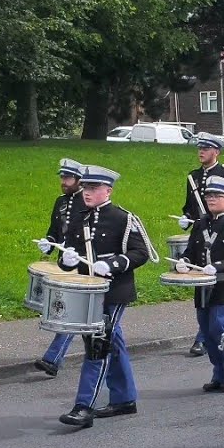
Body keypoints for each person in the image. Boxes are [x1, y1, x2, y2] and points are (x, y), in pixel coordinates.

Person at [56, 166, 153, 429]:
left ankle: (83, 406)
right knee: (112, 341)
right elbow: (68, 258)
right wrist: (65, 260)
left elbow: (141, 253)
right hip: (88, 291)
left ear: (107, 191)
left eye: (93, 189)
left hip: (114, 291)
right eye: (85, 188)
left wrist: (113, 264)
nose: (87, 193)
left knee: (98, 343)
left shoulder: (123, 219)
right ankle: (124, 399)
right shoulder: (78, 218)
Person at [181, 132, 224, 356]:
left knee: (218, 316)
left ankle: (210, 345)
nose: (201, 152)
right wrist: (186, 219)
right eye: (199, 148)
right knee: (204, 307)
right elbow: (190, 206)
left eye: (206, 148)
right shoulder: (193, 177)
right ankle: (204, 337)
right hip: (202, 232)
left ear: (216, 152)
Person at [176, 177, 224, 391]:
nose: (211, 200)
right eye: (209, 196)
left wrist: (220, 265)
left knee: (219, 329)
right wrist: (184, 262)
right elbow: (190, 252)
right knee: (205, 329)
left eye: (217, 196)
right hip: (202, 286)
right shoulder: (201, 223)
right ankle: (218, 372)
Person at [32, 158, 87, 377]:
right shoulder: (60, 202)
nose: (64, 182)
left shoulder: (87, 201)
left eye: (68, 178)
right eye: (62, 177)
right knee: (77, 314)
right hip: (65, 265)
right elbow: (55, 230)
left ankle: (53, 358)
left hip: (83, 265)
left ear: (79, 180)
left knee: (74, 312)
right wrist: (49, 243)